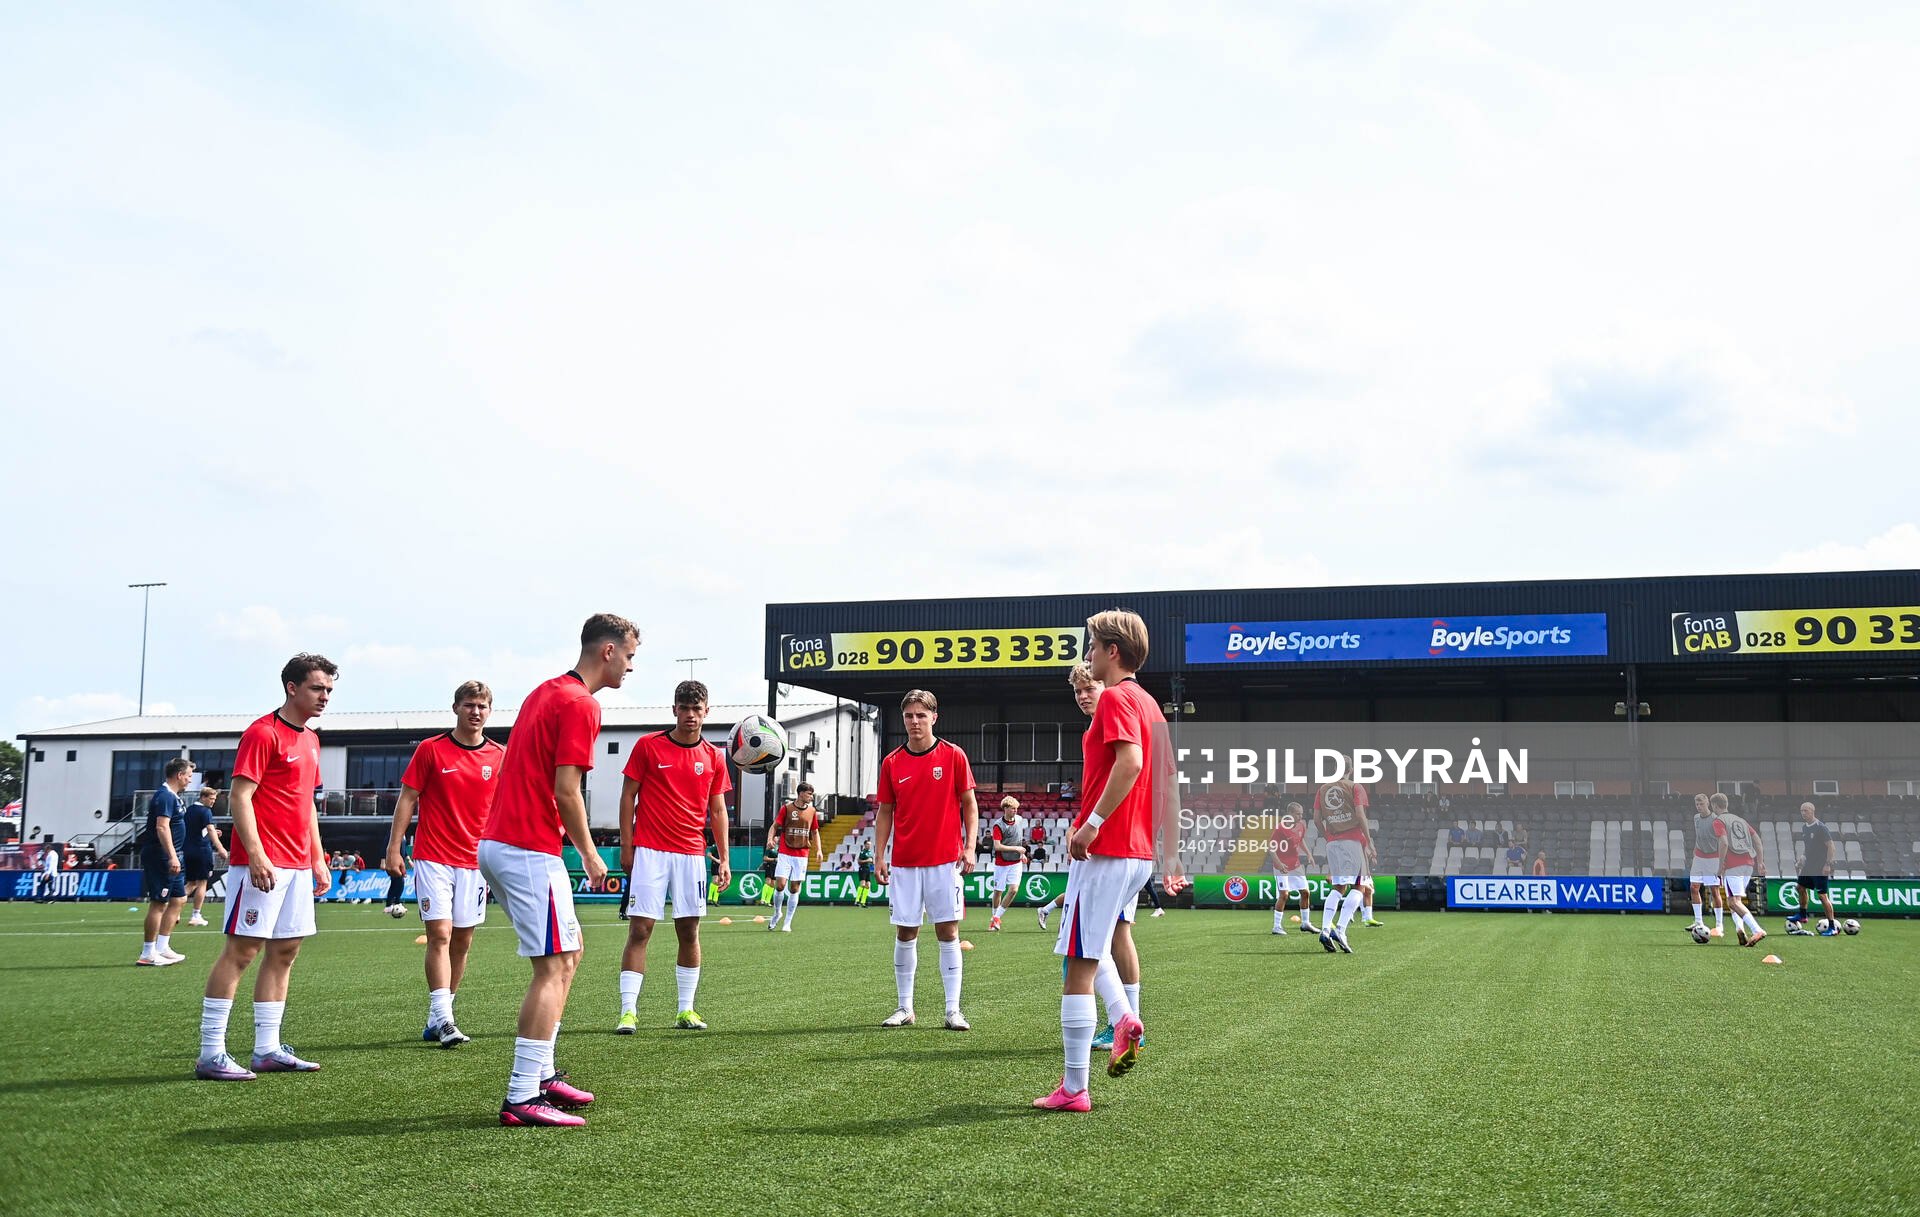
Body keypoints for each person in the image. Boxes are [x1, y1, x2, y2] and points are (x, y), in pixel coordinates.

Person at [478, 615, 630, 1126]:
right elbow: (568, 789)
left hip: (509, 842)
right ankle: (522, 1096)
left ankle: (541, 1074)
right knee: (552, 966)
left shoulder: (547, 690)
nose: (631, 667)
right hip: (525, 846)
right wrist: (589, 852)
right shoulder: (581, 703)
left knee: (571, 953)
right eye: (629, 656)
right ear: (607, 651)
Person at [1037, 610, 1184, 1112]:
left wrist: (1093, 823)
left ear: (1112, 651)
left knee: (1078, 962)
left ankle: (1075, 1088)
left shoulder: (1119, 697)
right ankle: (1123, 1016)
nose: (1090, 654)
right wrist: (1169, 856)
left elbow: (1132, 763)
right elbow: (1167, 786)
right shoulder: (1152, 707)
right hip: (1136, 854)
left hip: (1108, 850)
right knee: (1092, 947)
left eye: (1093, 646)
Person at [194, 653, 335, 1082]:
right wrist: (255, 854)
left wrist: (317, 857)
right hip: (262, 863)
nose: (324, 696)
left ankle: (267, 1049)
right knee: (242, 952)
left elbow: (307, 804)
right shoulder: (262, 733)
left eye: (329, 689)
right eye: (317, 688)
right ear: (292, 687)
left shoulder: (311, 739)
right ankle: (211, 1053)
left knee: (286, 952)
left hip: (297, 865)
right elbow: (240, 797)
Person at [383, 679, 506, 1048]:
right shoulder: (431, 750)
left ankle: (438, 1015)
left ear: (489, 711)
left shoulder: (500, 755)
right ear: (456, 708)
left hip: (476, 861)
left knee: (463, 942)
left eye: (482, 706)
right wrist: (393, 847)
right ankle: (447, 1021)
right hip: (433, 857)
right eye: (469, 704)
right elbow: (407, 799)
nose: (475, 711)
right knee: (440, 934)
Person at [616, 680, 732, 1033]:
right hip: (649, 851)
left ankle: (686, 1010)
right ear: (674, 710)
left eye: (697, 709)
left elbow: (718, 810)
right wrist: (626, 845)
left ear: (707, 712)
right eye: (684, 708)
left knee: (689, 930)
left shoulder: (713, 756)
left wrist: (724, 857)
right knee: (640, 929)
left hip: (691, 856)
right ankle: (628, 1012)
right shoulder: (648, 746)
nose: (690, 715)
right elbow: (627, 797)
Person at [873, 689, 978, 1031]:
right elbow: (885, 812)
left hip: (945, 860)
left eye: (921, 715)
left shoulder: (953, 756)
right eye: (909, 715)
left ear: (934, 717)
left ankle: (952, 1010)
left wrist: (970, 846)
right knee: (906, 932)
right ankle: (905, 1008)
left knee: (948, 931)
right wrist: (879, 854)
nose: (915, 721)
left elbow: (970, 804)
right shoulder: (891, 762)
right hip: (904, 861)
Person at [1314, 756, 1376, 953]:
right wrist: (1369, 842)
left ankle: (1325, 929)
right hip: (1353, 841)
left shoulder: (1322, 789)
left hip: (1333, 843)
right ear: (1351, 769)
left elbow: (1316, 819)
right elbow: (1360, 815)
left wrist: (1328, 837)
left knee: (1338, 887)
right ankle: (1340, 929)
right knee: (1359, 885)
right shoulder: (1355, 787)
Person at [138, 757, 194, 966]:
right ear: (179, 775)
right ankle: (147, 952)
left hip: (175, 855)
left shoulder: (173, 797)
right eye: (188, 776)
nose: (189, 780)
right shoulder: (164, 797)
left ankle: (163, 946)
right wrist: (171, 855)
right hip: (161, 856)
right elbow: (162, 827)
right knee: (159, 903)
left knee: (179, 899)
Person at [766, 781, 822, 933]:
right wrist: (770, 839)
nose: (811, 796)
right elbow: (774, 826)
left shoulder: (812, 811)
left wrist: (819, 850)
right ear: (801, 793)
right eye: (809, 794)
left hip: (802, 854)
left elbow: (815, 832)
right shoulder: (787, 808)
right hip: (785, 851)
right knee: (780, 885)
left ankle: (787, 922)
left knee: (794, 888)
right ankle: (777, 913)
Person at [1714, 793, 1768, 948]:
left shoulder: (1719, 821)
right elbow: (1757, 839)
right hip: (1748, 864)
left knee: (1733, 901)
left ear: (1715, 806)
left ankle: (1757, 930)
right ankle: (1740, 930)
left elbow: (1723, 843)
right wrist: (1760, 862)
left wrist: (1720, 866)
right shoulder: (1740, 820)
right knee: (1734, 900)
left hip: (1733, 864)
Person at [1787, 802, 1839, 936]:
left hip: (1819, 866)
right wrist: (1801, 859)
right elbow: (1808, 848)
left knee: (1822, 896)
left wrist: (1828, 864)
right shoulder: (1804, 828)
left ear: (1812, 811)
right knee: (1800, 887)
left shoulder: (1820, 827)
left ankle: (1832, 926)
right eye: (1801, 811)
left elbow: (1831, 847)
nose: (1803, 813)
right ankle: (1802, 915)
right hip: (1808, 866)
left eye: (1806, 811)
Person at [1269, 801, 1316, 936]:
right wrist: (1278, 863)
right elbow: (1271, 849)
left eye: (1301, 814)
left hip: (1296, 865)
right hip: (1282, 867)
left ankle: (1306, 923)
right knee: (1284, 895)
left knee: (1305, 892)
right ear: (1290, 814)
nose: (1300, 817)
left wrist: (1309, 854)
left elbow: (1300, 840)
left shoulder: (1301, 825)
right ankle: (1276, 927)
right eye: (1297, 814)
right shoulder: (1280, 829)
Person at [1685, 793, 1728, 940]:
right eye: (1697, 804)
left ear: (1707, 803)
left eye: (1701, 804)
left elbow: (1722, 840)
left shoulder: (1716, 820)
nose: (1699, 807)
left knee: (1714, 891)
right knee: (1693, 887)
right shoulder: (1696, 818)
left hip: (1712, 858)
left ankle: (1719, 924)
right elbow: (1699, 835)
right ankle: (1698, 921)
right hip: (1699, 856)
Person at [184, 785, 228, 926]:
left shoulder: (189, 810)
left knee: (191, 883)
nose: (213, 802)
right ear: (203, 797)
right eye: (211, 799)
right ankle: (196, 915)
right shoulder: (205, 811)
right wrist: (220, 848)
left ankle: (174, 909)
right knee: (202, 882)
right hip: (202, 851)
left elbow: (199, 830)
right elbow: (208, 828)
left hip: (188, 850)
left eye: (214, 799)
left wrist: (214, 832)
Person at [987, 796, 1029, 931]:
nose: (1016, 811)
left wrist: (1021, 853)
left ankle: (996, 918)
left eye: (1017, 808)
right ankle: (994, 917)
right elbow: (997, 846)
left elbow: (1018, 839)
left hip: (1016, 862)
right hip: (1002, 862)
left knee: (1014, 890)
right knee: (998, 892)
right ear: (1005, 809)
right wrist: (1016, 849)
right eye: (1013, 809)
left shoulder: (1020, 820)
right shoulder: (998, 825)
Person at [854, 839, 877, 907]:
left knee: (868, 886)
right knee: (862, 884)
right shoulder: (862, 852)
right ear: (865, 845)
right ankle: (857, 900)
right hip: (862, 869)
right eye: (868, 844)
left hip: (868, 869)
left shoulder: (870, 852)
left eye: (870, 844)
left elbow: (872, 861)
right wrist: (867, 860)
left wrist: (873, 862)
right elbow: (859, 861)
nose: (869, 846)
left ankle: (863, 902)